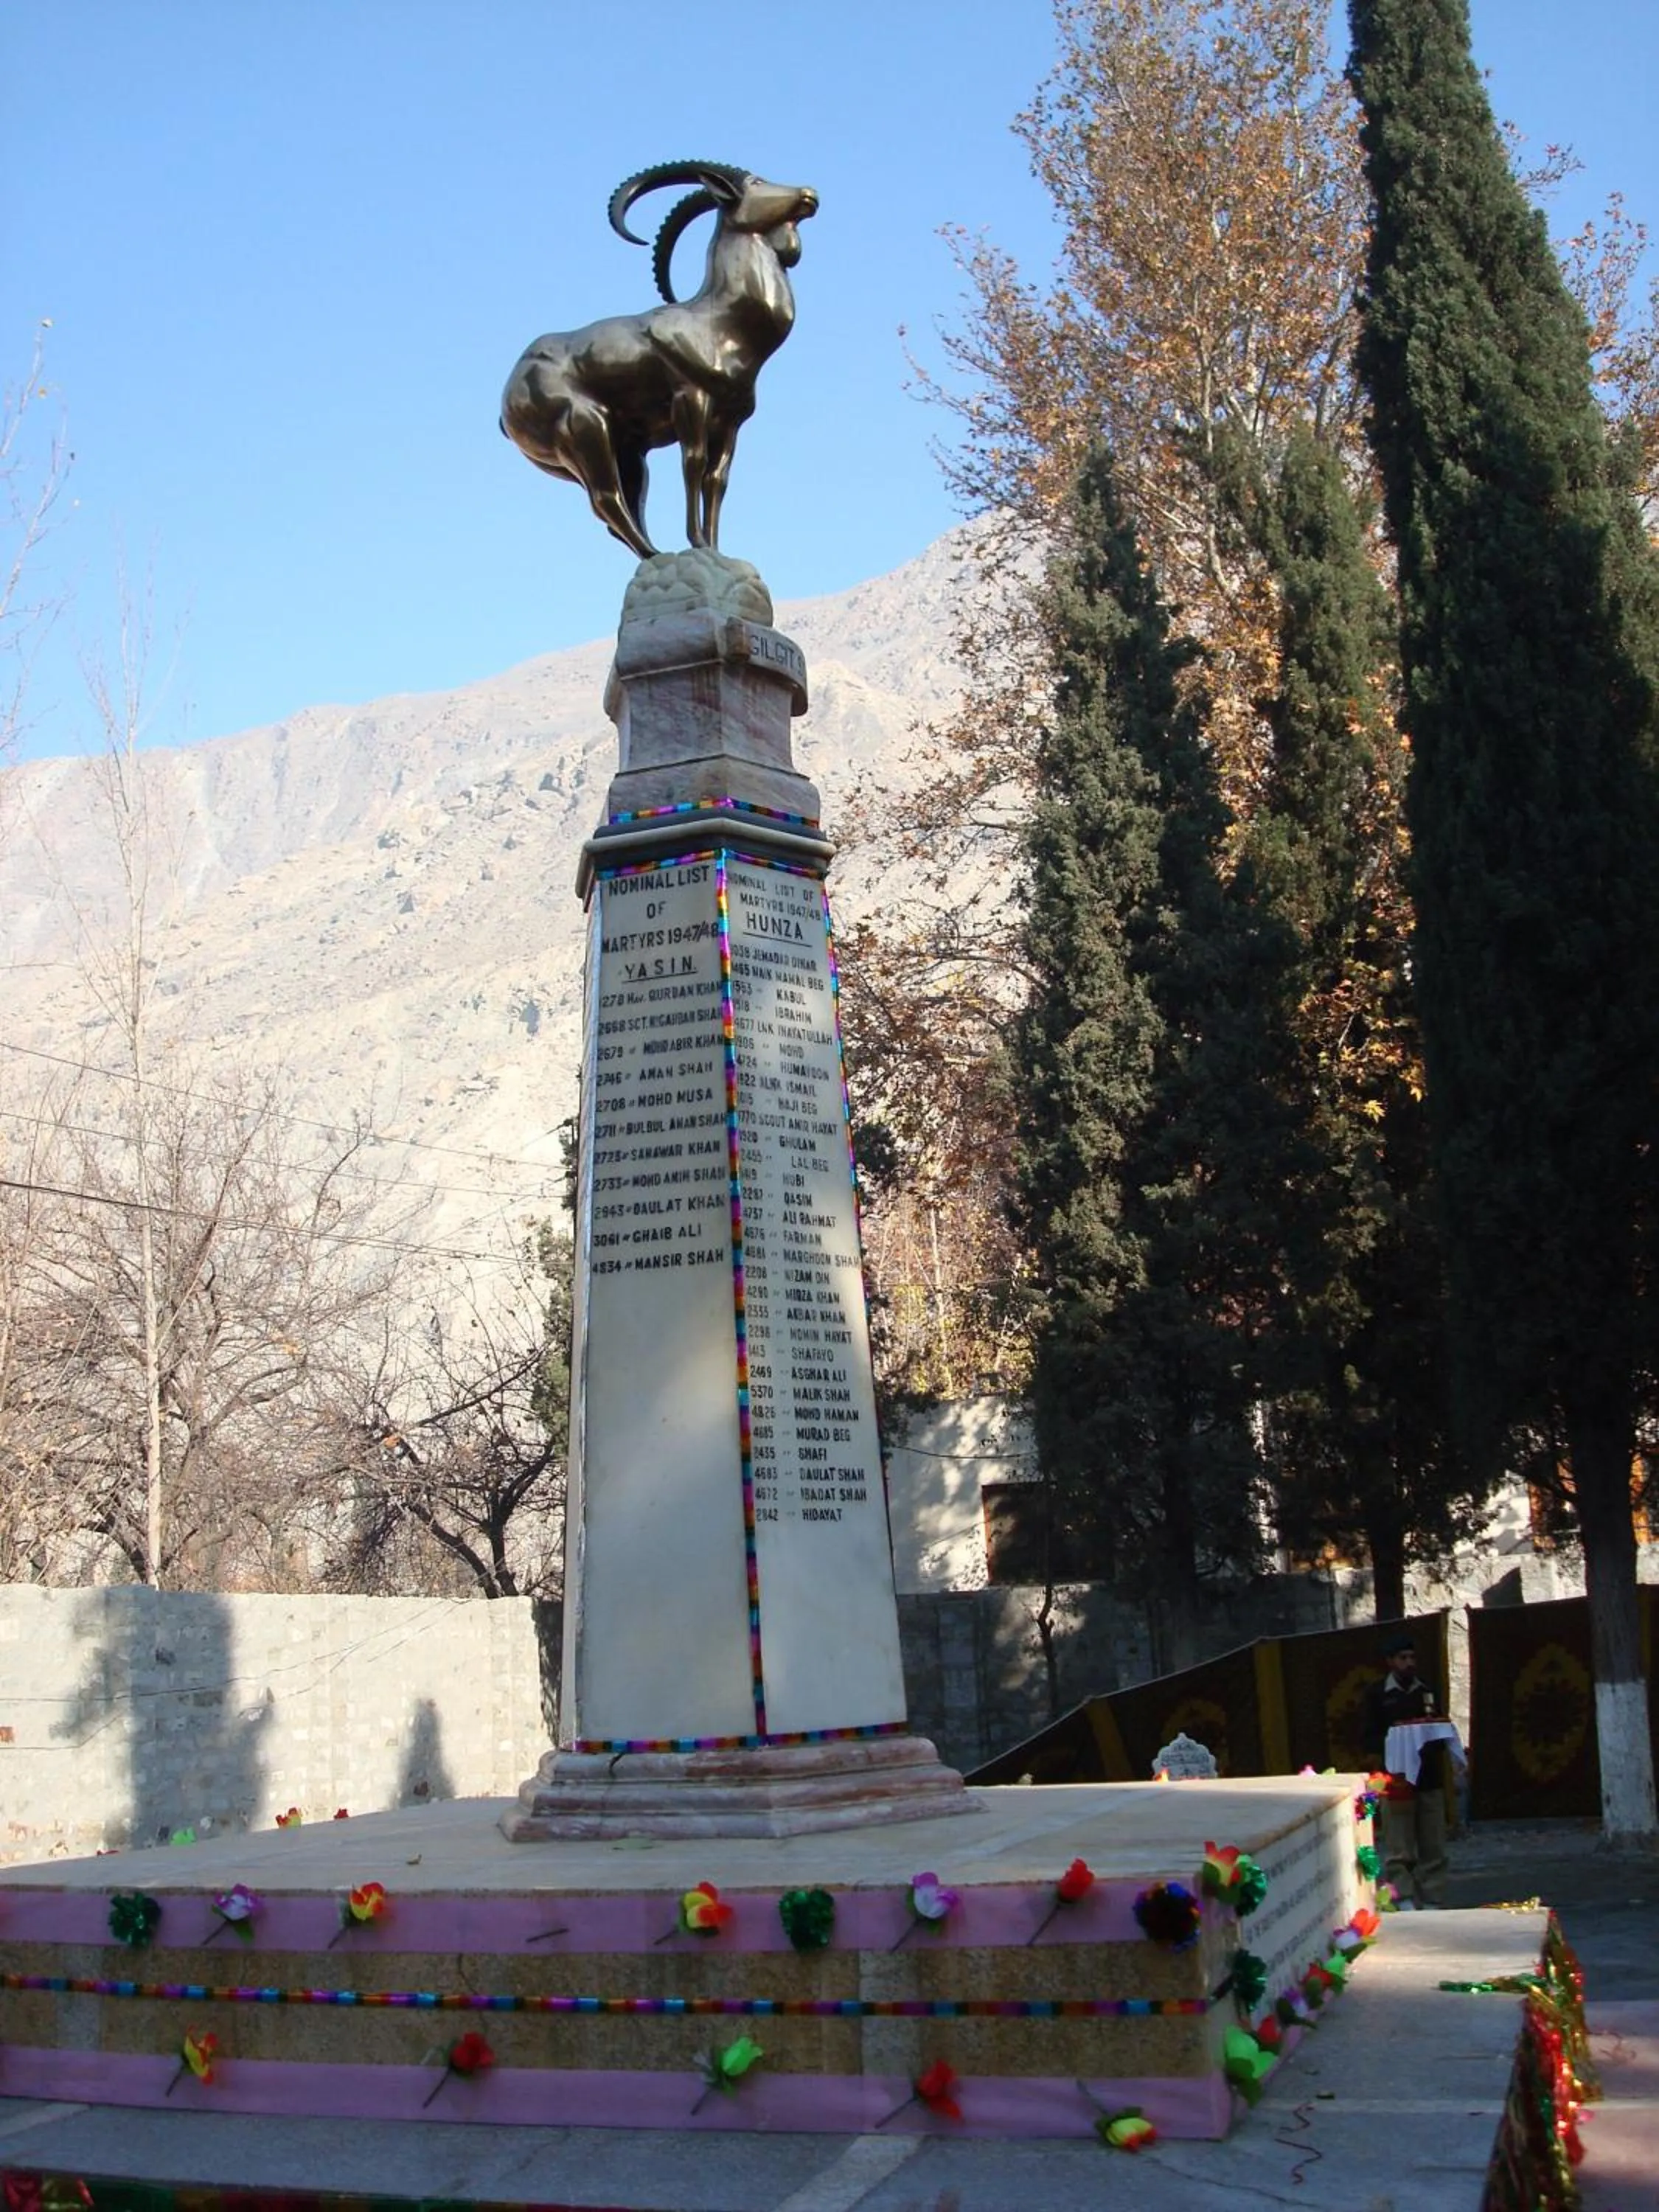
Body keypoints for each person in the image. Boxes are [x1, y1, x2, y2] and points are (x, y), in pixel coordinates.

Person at [1360, 1632, 1452, 1908]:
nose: (1409, 1663)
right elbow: (1367, 1737)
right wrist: (1398, 1739)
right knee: (1399, 1844)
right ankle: (1404, 1896)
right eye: (1403, 1658)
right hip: (1396, 1780)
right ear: (1390, 1662)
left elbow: (1439, 1727)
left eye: (1412, 1657)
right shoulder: (1377, 1694)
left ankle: (1433, 1897)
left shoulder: (1427, 1690)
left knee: (1433, 1843)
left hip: (1428, 1778)